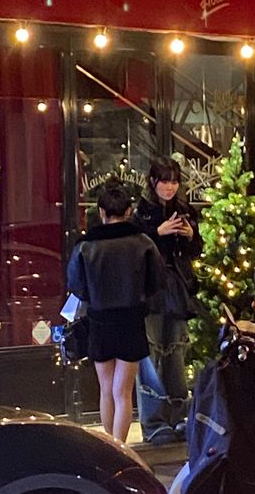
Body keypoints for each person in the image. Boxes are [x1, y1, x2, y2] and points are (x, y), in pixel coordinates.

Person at [66, 179, 165, 442]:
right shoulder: (142, 242)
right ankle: (122, 448)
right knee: (123, 393)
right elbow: (156, 281)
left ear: (101, 212)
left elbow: (76, 285)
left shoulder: (86, 246)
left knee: (106, 389)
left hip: (99, 320)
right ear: (129, 211)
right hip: (131, 320)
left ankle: (109, 447)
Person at [135, 156, 203, 444]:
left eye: (174, 181)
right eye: (164, 181)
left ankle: (179, 417)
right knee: (150, 352)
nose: (170, 187)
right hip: (149, 290)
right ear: (153, 182)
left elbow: (196, 250)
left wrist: (191, 235)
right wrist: (157, 233)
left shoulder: (184, 210)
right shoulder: (142, 212)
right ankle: (153, 421)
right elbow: (134, 249)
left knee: (176, 351)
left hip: (177, 289)